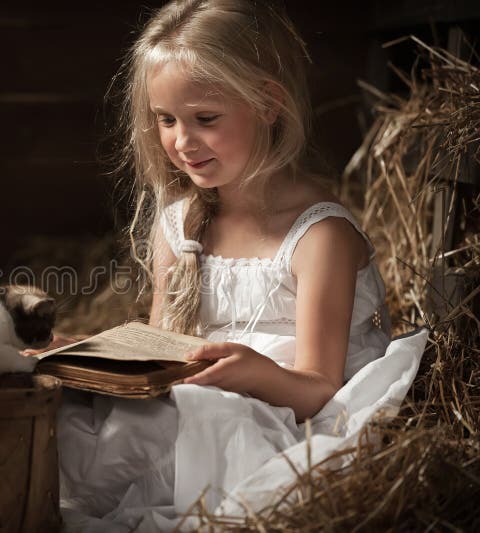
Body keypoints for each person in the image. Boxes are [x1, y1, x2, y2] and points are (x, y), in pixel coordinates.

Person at [54, 1, 428, 531]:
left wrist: (253, 373)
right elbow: (165, 349)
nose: (181, 142)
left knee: (205, 414)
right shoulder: (179, 225)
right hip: (189, 406)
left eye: (205, 119)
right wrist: (82, 363)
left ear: (268, 103)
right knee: (76, 418)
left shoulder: (319, 236)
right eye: (166, 120)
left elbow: (319, 387)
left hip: (286, 424)